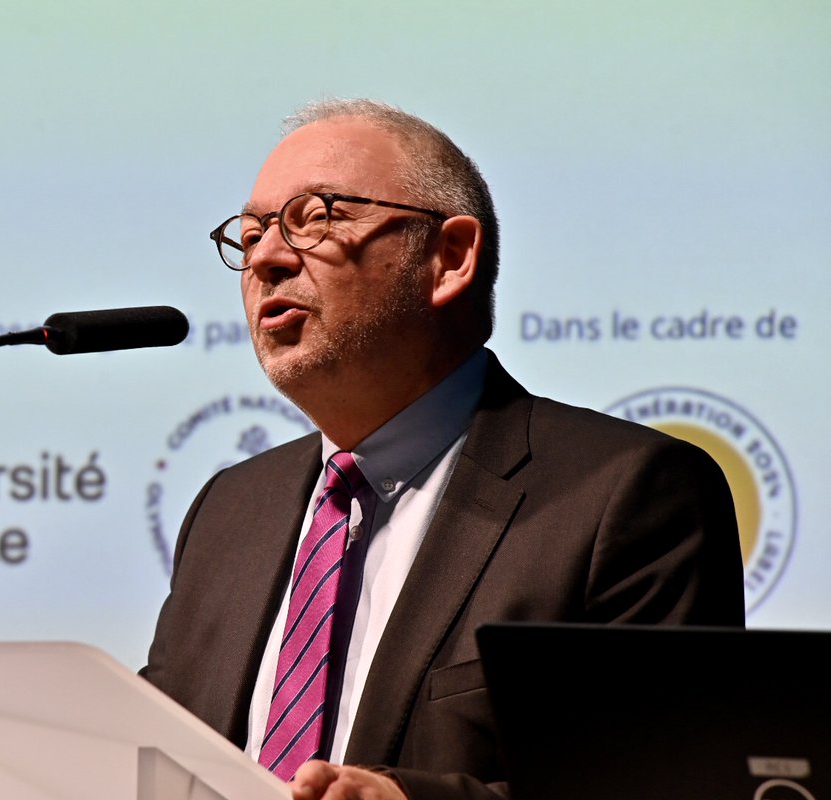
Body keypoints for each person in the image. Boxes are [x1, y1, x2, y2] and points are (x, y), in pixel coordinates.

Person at [141, 99, 744, 800]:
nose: (267, 260)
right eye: (250, 236)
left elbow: (667, 785)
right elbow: (150, 758)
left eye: (315, 218)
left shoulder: (625, 495)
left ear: (450, 259)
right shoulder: (230, 510)